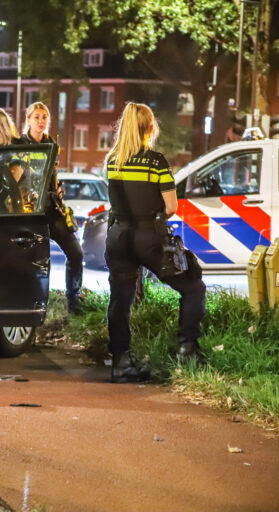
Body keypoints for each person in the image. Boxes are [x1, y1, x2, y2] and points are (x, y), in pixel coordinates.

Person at [104, 102, 206, 383]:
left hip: (118, 237)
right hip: (148, 236)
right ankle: (187, 351)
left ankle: (121, 363)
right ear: (150, 128)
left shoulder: (112, 161)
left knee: (120, 299)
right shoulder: (156, 161)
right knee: (193, 286)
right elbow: (170, 206)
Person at [21, 102, 83, 314]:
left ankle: (74, 303)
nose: (41, 121)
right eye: (36, 117)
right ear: (28, 120)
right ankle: (30, 305)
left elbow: (53, 177)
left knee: (76, 253)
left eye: (44, 117)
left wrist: (60, 200)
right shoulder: (20, 144)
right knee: (34, 262)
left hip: (52, 207)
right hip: (29, 211)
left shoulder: (52, 145)